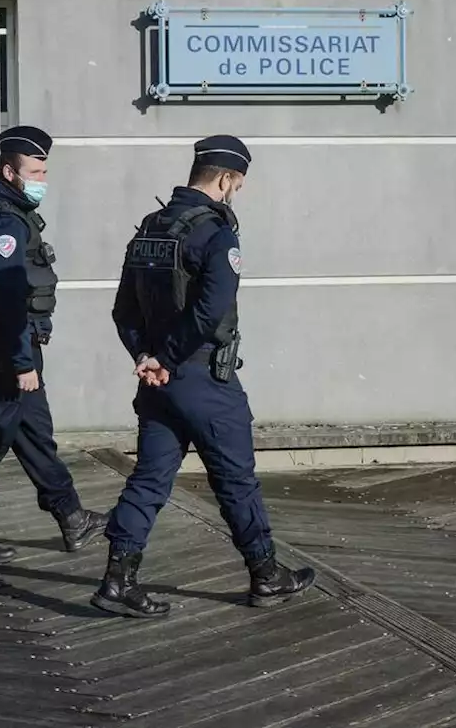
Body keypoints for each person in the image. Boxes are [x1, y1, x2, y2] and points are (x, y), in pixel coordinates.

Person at [91, 134, 316, 618]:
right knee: (236, 481)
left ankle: (117, 581)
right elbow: (210, 314)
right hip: (203, 382)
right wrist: (168, 359)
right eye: (239, 183)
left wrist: (146, 356)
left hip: (158, 384)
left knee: (149, 479)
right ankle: (265, 575)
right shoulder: (216, 235)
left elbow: (123, 309)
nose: (238, 193)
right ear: (225, 179)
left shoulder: (151, 226)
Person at [0, 125, 107, 565]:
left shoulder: (6, 215)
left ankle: (70, 515)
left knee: (35, 433)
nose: (42, 180)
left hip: (17, 347)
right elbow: (8, 298)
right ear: (9, 172)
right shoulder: (3, 224)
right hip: (9, 350)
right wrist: (20, 361)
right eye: (35, 171)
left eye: (44, 171)